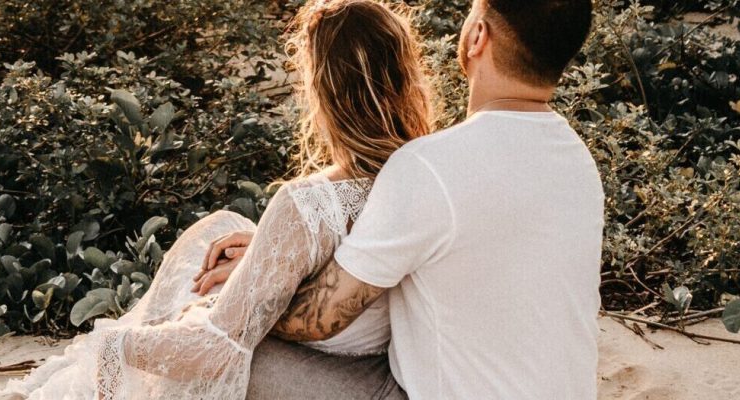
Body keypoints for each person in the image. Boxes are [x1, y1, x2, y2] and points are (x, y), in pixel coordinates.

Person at [2, 1, 431, 398]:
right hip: (374, 367)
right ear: (407, 76)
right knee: (228, 229)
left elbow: (216, 351)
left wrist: (111, 346)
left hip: (328, 379)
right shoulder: (425, 177)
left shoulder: (307, 203)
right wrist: (262, 258)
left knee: (177, 316)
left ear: (319, 92)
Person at [209, 0, 602, 398]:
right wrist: (269, 254)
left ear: (478, 35)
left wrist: (262, 279)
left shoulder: (431, 166)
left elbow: (315, 321)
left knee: (233, 348)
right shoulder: (578, 163)